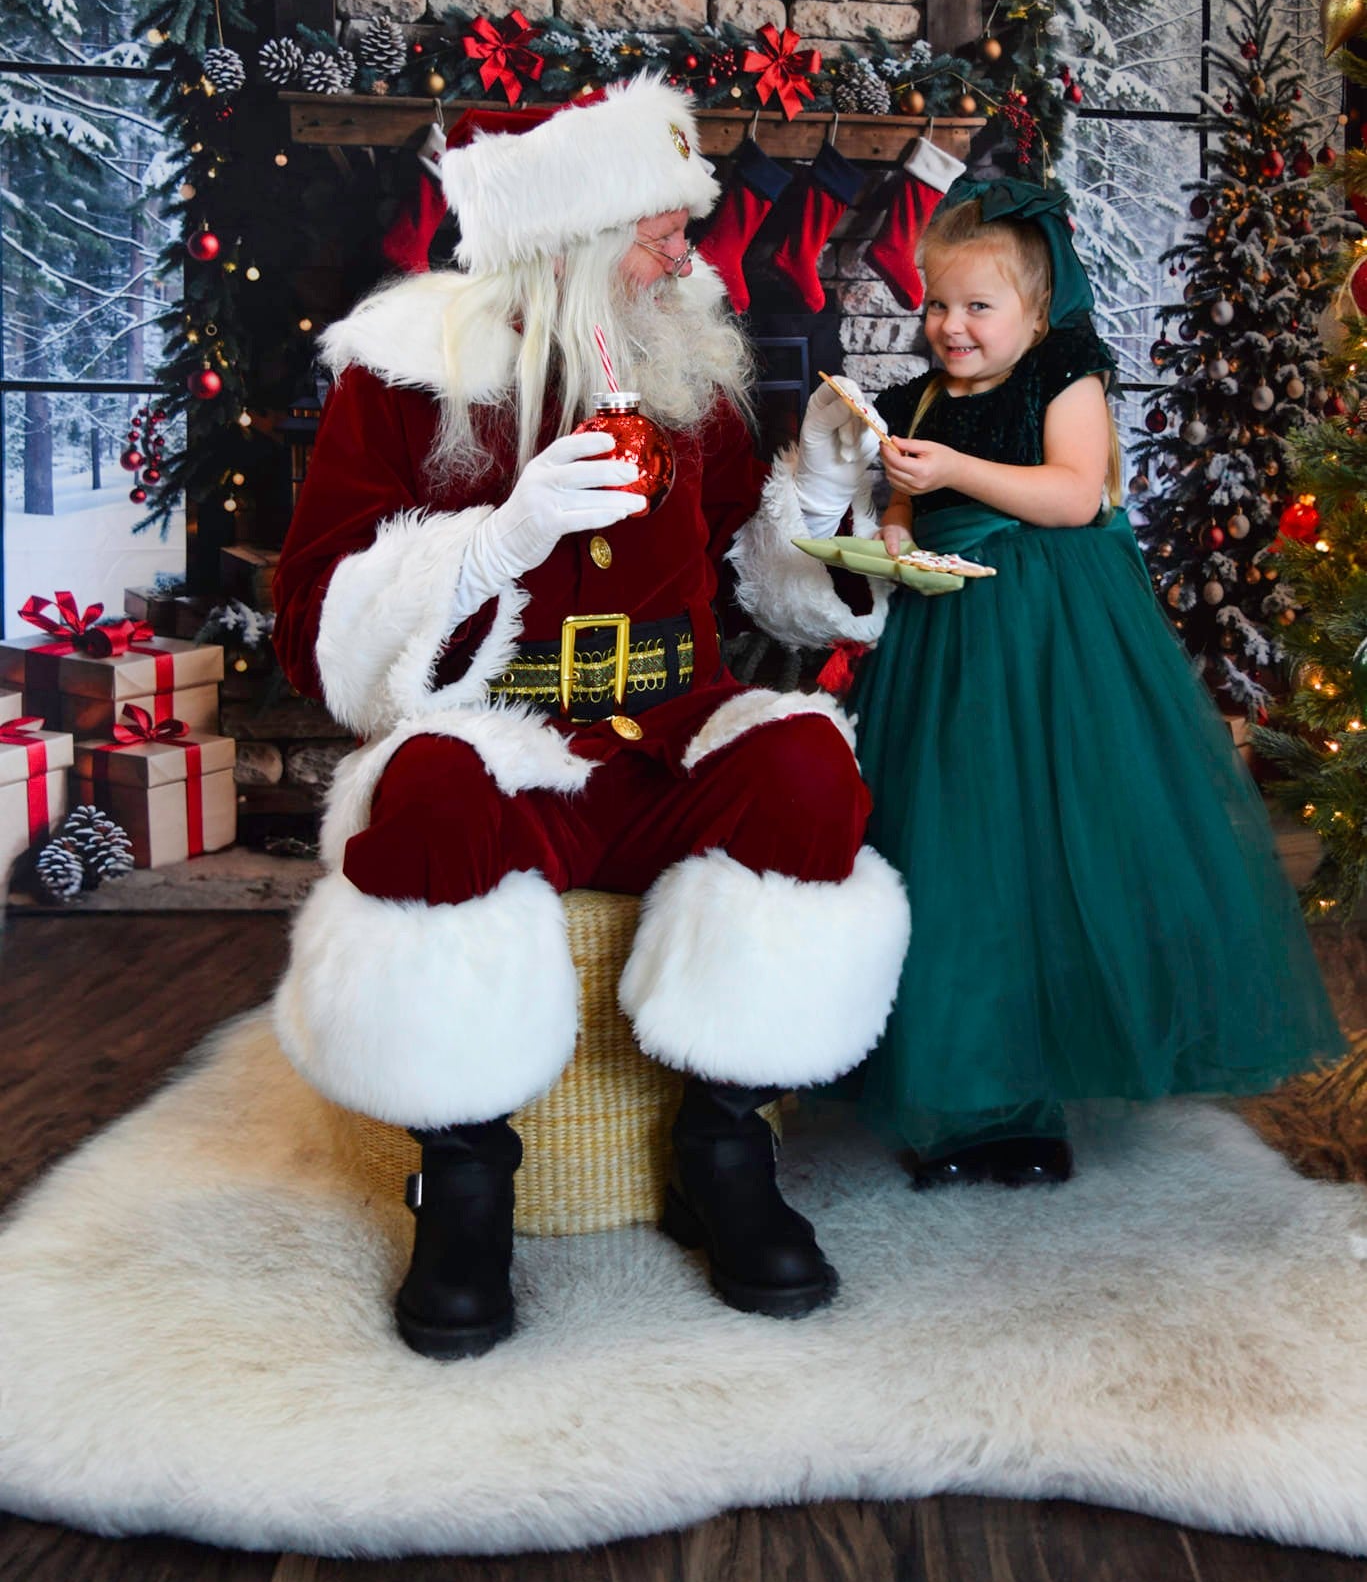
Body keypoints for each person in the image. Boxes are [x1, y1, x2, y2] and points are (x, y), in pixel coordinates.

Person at [270, 73, 911, 1359]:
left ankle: (722, 1144)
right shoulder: (404, 381)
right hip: (502, 742)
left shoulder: (686, 364)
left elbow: (755, 575)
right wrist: (493, 542)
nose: (689, 247)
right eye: (661, 224)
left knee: (804, 767)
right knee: (426, 798)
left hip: (673, 735)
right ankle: (459, 1173)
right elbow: (317, 628)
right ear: (566, 243)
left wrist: (830, 503)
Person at [851, 173, 1343, 1188]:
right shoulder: (914, 399)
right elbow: (898, 507)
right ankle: (970, 1093)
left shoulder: (1062, 371)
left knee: (1050, 842)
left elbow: (1074, 494)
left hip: (1049, 634)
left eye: (977, 306)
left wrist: (948, 473)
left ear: (1035, 313)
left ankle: (1045, 1073)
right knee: (951, 850)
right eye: (935, 302)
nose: (949, 325)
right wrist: (893, 529)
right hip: (942, 639)